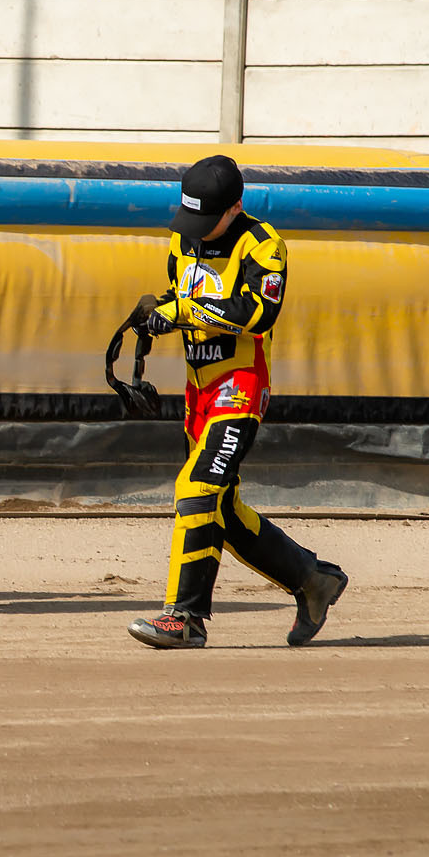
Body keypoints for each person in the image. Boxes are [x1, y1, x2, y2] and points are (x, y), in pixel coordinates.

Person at [126, 154, 349, 650]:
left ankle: (185, 618)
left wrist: (182, 311)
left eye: (208, 219)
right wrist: (157, 313)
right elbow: (181, 295)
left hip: (240, 386)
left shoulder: (264, 244)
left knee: (197, 488)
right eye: (192, 219)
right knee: (219, 507)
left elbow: (257, 313)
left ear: (235, 207)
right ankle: (312, 579)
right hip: (197, 393)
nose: (196, 230)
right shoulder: (181, 239)